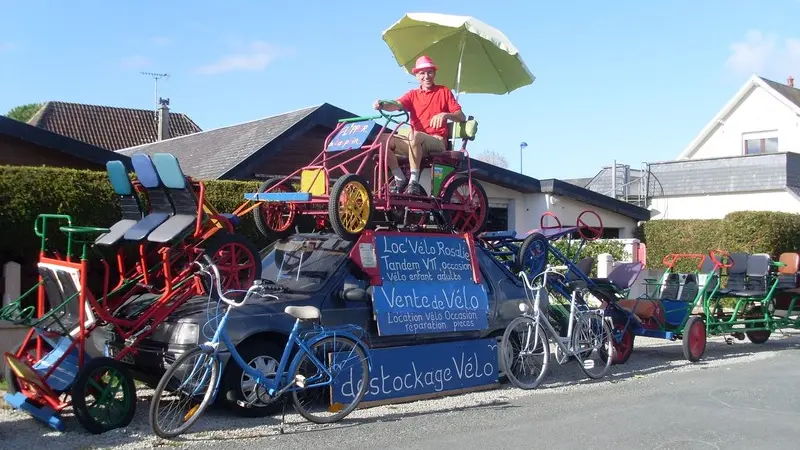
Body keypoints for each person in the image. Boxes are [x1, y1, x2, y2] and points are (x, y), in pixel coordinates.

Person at [374, 55, 466, 196]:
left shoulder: (444, 91)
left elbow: (461, 116)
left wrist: (445, 115)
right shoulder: (412, 95)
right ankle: (400, 179)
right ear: (416, 75)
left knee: (414, 136)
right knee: (381, 140)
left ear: (434, 73)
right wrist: (382, 105)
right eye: (422, 73)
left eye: (429, 72)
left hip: (437, 141)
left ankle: (414, 182)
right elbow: (396, 105)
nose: (426, 76)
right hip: (415, 142)